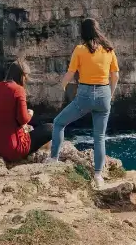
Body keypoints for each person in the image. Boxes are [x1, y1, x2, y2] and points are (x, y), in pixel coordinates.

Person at [49, 18, 119, 187]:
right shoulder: (109, 50)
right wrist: (110, 94)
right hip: (104, 94)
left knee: (58, 123)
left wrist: (62, 86)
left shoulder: (80, 50)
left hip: (85, 95)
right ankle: (98, 176)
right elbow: (115, 75)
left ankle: (53, 160)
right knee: (99, 137)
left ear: (83, 32)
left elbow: (71, 73)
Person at [0, 60, 52, 163]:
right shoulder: (18, 90)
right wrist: (30, 113)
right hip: (12, 149)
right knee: (51, 128)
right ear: (22, 76)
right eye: (26, 77)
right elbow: (23, 119)